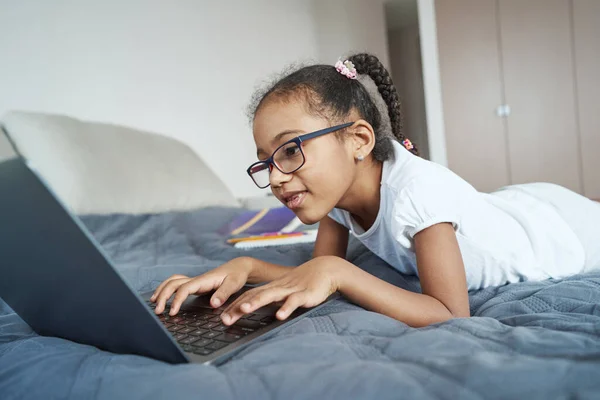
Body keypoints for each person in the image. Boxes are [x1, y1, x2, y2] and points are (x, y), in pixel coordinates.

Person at [151, 53, 600, 328]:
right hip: (507, 205)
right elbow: (318, 271)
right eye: (266, 162)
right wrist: (244, 265)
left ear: (359, 141)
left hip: (559, 230)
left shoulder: (415, 193)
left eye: (289, 151)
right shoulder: (337, 200)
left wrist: (339, 273)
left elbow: (450, 313)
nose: (275, 177)